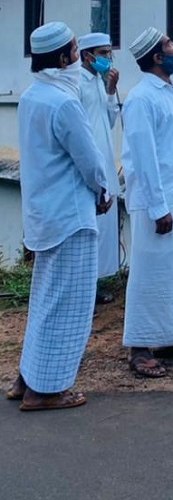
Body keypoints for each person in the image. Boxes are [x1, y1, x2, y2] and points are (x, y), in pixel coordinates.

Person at [7, 22, 110, 410]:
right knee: (68, 307)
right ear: (65, 58)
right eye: (74, 49)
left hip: (44, 215)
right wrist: (102, 189)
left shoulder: (34, 95)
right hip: (70, 215)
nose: (77, 55)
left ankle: (25, 379)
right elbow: (89, 159)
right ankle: (45, 391)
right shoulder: (65, 102)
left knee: (45, 301)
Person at [121, 27, 173, 378]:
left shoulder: (170, 90)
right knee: (150, 274)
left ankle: (172, 338)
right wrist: (158, 207)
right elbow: (144, 156)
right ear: (157, 57)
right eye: (171, 44)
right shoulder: (142, 97)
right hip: (158, 203)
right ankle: (140, 348)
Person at [78, 32, 121, 305]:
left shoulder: (97, 80)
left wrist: (110, 89)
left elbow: (109, 120)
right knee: (89, 230)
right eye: (103, 53)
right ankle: (83, 291)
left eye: (108, 53)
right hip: (89, 164)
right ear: (87, 56)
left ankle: (93, 285)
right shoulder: (76, 84)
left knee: (102, 232)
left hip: (104, 159)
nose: (107, 58)